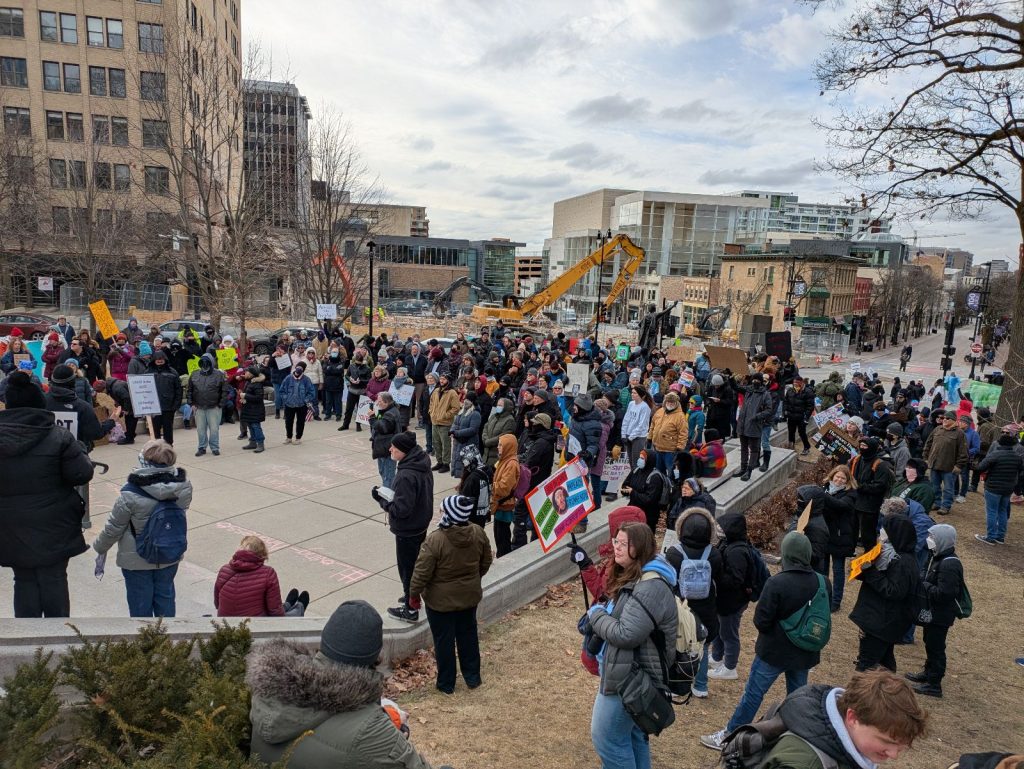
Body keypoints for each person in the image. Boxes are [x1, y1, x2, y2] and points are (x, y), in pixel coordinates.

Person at [247, 600, 445, 769]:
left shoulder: (267, 689)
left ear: (324, 642)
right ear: (375, 658)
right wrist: (395, 739)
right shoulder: (371, 732)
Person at [700, 532, 828, 751]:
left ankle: (730, 735)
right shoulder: (822, 580)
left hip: (774, 652)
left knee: (753, 694)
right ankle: (800, 740)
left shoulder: (777, 582)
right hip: (805, 651)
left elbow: (761, 620)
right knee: (798, 698)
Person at [0, 372, 94, 617]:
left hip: (10, 525)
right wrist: (80, 451)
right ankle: (58, 642)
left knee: (23, 580)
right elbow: (81, 474)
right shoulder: (59, 436)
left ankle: (30, 644)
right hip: (55, 523)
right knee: (54, 579)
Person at [585, 522, 677, 769]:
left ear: (640, 547)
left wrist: (596, 615)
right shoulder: (637, 575)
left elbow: (627, 634)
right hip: (625, 670)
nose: (617, 548)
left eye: (624, 544)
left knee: (607, 738)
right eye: (616, 541)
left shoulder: (651, 586)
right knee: (633, 735)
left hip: (630, 678)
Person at [92, 439, 192, 618]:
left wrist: (100, 547)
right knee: (166, 598)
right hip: (169, 552)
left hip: (136, 558)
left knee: (140, 605)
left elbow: (114, 528)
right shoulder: (183, 487)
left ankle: (145, 642)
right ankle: (167, 640)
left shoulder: (129, 494)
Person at [409, 494, 493, 694]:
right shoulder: (478, 533)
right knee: (468, 636)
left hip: (440, 604)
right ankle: (473, 677)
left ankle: (446, 684)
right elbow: (486, 561)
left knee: (444, 642)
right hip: (469, 598)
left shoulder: (435, 540)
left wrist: (413, 595)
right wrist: (473, 579)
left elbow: (421, 572)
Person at [372, 432, 433, 623]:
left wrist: (382, 501)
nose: (390, 450)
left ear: (404, 451)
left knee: (407, 569)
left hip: (408, 528)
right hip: (420, 522)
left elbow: (401, 509)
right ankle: (412, 596)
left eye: (394, 448)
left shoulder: (406, 475)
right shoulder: (421, 463)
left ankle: (410, 607)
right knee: (415, 564)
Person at [850, 514, 919, 672]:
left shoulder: (902, 562)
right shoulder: (890, 554)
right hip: (881, 620)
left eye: (885, 529)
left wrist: (871, 572)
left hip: (881, 622)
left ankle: (862, 695)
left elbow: (893, 591)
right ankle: (889, 691)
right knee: (885, 662)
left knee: (866, 665)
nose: (880, 531)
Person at [666, 505, 723, 699]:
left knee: (678, 645)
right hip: (706, 607)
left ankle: (675, 683)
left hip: (681, 605)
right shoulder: (714, 554)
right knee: (703, 646)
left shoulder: (674, 553)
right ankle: (701, 685)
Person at [901, 523, 963, 698]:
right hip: (934, 613)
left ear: (942, 541)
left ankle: (934, 684)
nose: (929, 540)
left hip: (940, 615)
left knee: (936, 647)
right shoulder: (938, 556)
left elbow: (945, 594)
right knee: (930, 643)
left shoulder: (949, 565)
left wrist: (925, 585)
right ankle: (928, 674)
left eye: (933, 538)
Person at [709, 512, 757, 682]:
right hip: (723, 599)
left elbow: (736, 579)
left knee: (729, 633)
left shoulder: (737, 551)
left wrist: (715, 574)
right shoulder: (727, 543)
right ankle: (716, 657)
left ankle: (730, 667)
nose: (719, 529)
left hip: (732, 601)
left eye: (723, 527)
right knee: (719, 629)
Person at [215, 536, 308, 617]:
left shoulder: (224, 569)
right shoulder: (268, 573)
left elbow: (217, 604)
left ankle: (288, 604)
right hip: (253, 626)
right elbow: (275, 612)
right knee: (291, 615)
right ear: (262, 555)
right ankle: (300, 607)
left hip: (225, 624)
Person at [974, 432, 1023, 544]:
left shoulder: (995, 454)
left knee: (991, 511)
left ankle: (990, 537)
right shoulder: (1017, 457)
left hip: (993, 487)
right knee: (1002, 511)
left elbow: (980, 467)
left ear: (1000, 442)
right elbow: (1020, 471)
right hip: (1008, 488)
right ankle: (1000, 536)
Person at [850, 438, 895, 550]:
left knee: (867, 534)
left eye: (865, 446)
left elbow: (880, 486)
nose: (862, 448)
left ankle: (870, 556)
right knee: (852, 529)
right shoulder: (857, 459)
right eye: (861, 446)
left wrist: (860, 487)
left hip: (869, 506)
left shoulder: (880, 465)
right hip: (854, 501)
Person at [923, 410, 969, 515]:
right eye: (943, 418)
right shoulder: (937, 429)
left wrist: (958, 466)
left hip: (949, 467)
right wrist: (926, 457)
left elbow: (963, 452)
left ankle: (945, 506)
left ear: (953, 420)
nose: (944, 420)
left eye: (947, 418)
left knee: (948, 488)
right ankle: (936, 503)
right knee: (934, 486)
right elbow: (928, 444)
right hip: (934, 464)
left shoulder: (959, 433)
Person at [188, 353, 228, 457]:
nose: (205, 364)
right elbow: (190, 390)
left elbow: (224, 390)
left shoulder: (219, 374)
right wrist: (191, 403)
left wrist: (220, 404)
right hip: (199, 407)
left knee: (214, 429)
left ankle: (215, 447)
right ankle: (202, 447)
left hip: (214, 407)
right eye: (203, 362)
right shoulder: (194, 374)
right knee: (200, 429)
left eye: (207, 362)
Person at [737, 373, 774, 481]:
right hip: (743, 425)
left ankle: (749, 471)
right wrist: (729, 378)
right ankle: (743, 468)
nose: (755, 382)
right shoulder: (749, 390)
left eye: (757, 380)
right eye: (754, 380)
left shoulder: (765, 394)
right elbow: (736, 387)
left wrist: (757, 416)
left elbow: (769, 410)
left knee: (754, 449)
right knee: (743, 448)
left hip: (754, 425)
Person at [621, 449, 667, 532]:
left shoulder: (655, 477)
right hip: (633, 511)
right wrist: (625, 491)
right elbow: (625, 485)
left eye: (642, 458)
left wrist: (633, 492)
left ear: (649, 460)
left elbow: (649, 499)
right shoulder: (636, 471)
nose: (639, 460)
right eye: (639, 458)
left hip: (648, 516)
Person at [490, 433, 520, 557]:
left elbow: (504, 488)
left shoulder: (511, 464)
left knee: (502, 537)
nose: (498, 447)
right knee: (498, 534)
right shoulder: (504, 460)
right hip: (500, 504)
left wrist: (491, 486)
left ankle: (504, 557)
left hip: (505, 505)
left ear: (508, 447)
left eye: (501, 445)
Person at [147, 350, 183, 445]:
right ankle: (157, 446)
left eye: (161, 358)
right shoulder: (148, 372)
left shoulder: (172, 372)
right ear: (154, 360)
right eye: (157, 359)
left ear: (165, 359)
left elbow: (178, 390)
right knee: (155, 429)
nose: (159, 360)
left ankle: (168, 446)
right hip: (154, 407)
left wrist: (176, 405)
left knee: (168, 428)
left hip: (168, 407)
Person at [428, 372, 461, 473]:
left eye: (444, 379)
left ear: (448, 381)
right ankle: (439, 462)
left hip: (445, 423)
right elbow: (432, 403)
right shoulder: (436, 391)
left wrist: (445, 415)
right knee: (436, 443)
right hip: (434, 421)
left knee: (445, 444)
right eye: (441, 379)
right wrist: (431, 412)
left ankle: (446, 463)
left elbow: (456, 408)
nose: (441, 381)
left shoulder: (452, 393)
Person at [648, 390, 688, 473]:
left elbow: (683, 433)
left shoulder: (680, 416)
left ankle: (671, 485)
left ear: (676, 403)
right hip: (658, 447)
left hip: (671, 450)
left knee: (671, 471)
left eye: (672, 402)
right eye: (668, 402)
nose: (670, 404)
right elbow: (652, 425)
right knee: (658, 470)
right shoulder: (659, 411)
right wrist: (649, 437)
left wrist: (680, 447)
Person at [371, 391, 403, 489]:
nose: (377, 403)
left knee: (388, 475)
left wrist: (372, 418)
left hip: (387, 448)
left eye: (380, 401)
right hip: (382, 447)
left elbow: (382, 428)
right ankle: (388, 489)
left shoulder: (390, 414)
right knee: (383, 471)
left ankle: (388, 496)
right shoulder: (388, 411)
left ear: (386, 402)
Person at [280, 363, 316, 445]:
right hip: (289, 404)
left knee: (300, 422)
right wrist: (286, 399)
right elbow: (282, 391)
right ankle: (289, 437)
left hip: (301, 405)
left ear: (303, 370)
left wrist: (305, 400)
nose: (298, 370)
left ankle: (298, 438)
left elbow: (311, 392)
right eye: (297, 368)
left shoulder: (306, 380)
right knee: (288, 422)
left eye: (301, 368)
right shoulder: (288, 378)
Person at [450, 391, 482, 478]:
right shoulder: (462, 411)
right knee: (458, 464)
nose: (465, 401)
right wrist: (452, 431)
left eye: (468, 399)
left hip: (469, 443)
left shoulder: (475, 414)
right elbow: (455, 423)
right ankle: (461, 482)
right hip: (459, 442)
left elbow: (473, 429)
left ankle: (464, 483)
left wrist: (457, 433)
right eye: (465, 399)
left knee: (467, 467)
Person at [620, 385, 652, 468]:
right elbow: (626, 419)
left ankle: (637, 479)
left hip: (638, 437)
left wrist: (631, 437)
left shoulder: (645, 407)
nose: (632, 394)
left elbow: (641, 425)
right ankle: (633, 477)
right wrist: (623, 435)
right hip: (628, 435)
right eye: (632, 392)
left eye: (635, 393)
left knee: (636, 461)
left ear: (641, 395)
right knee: (630, 461)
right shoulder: (631, 404)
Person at [339, 348, 371, 432]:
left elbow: (369, 380)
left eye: (359, 363)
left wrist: (361, 381)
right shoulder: (351, 366)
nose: (357, 364)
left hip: (361, 391)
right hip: (352, 390)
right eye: (356, 362)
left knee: (360, 409)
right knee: (349, 409)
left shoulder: (367, 368)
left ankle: (358, 425)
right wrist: (350, 379)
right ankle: (345, 424)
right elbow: (346, 375)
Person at [784, 377, 815, 456]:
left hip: (801, 417)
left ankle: (806, 447)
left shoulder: (808, 392)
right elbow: (786, 401)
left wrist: (806, 418)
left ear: (801, 383)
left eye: (797, 384)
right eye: (794, 384)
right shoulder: (790, 390)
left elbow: (810, 406)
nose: (795, 385)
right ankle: (791, 447)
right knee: (791, 432)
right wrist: (784, 412)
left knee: (802, 433)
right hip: (791, 416)